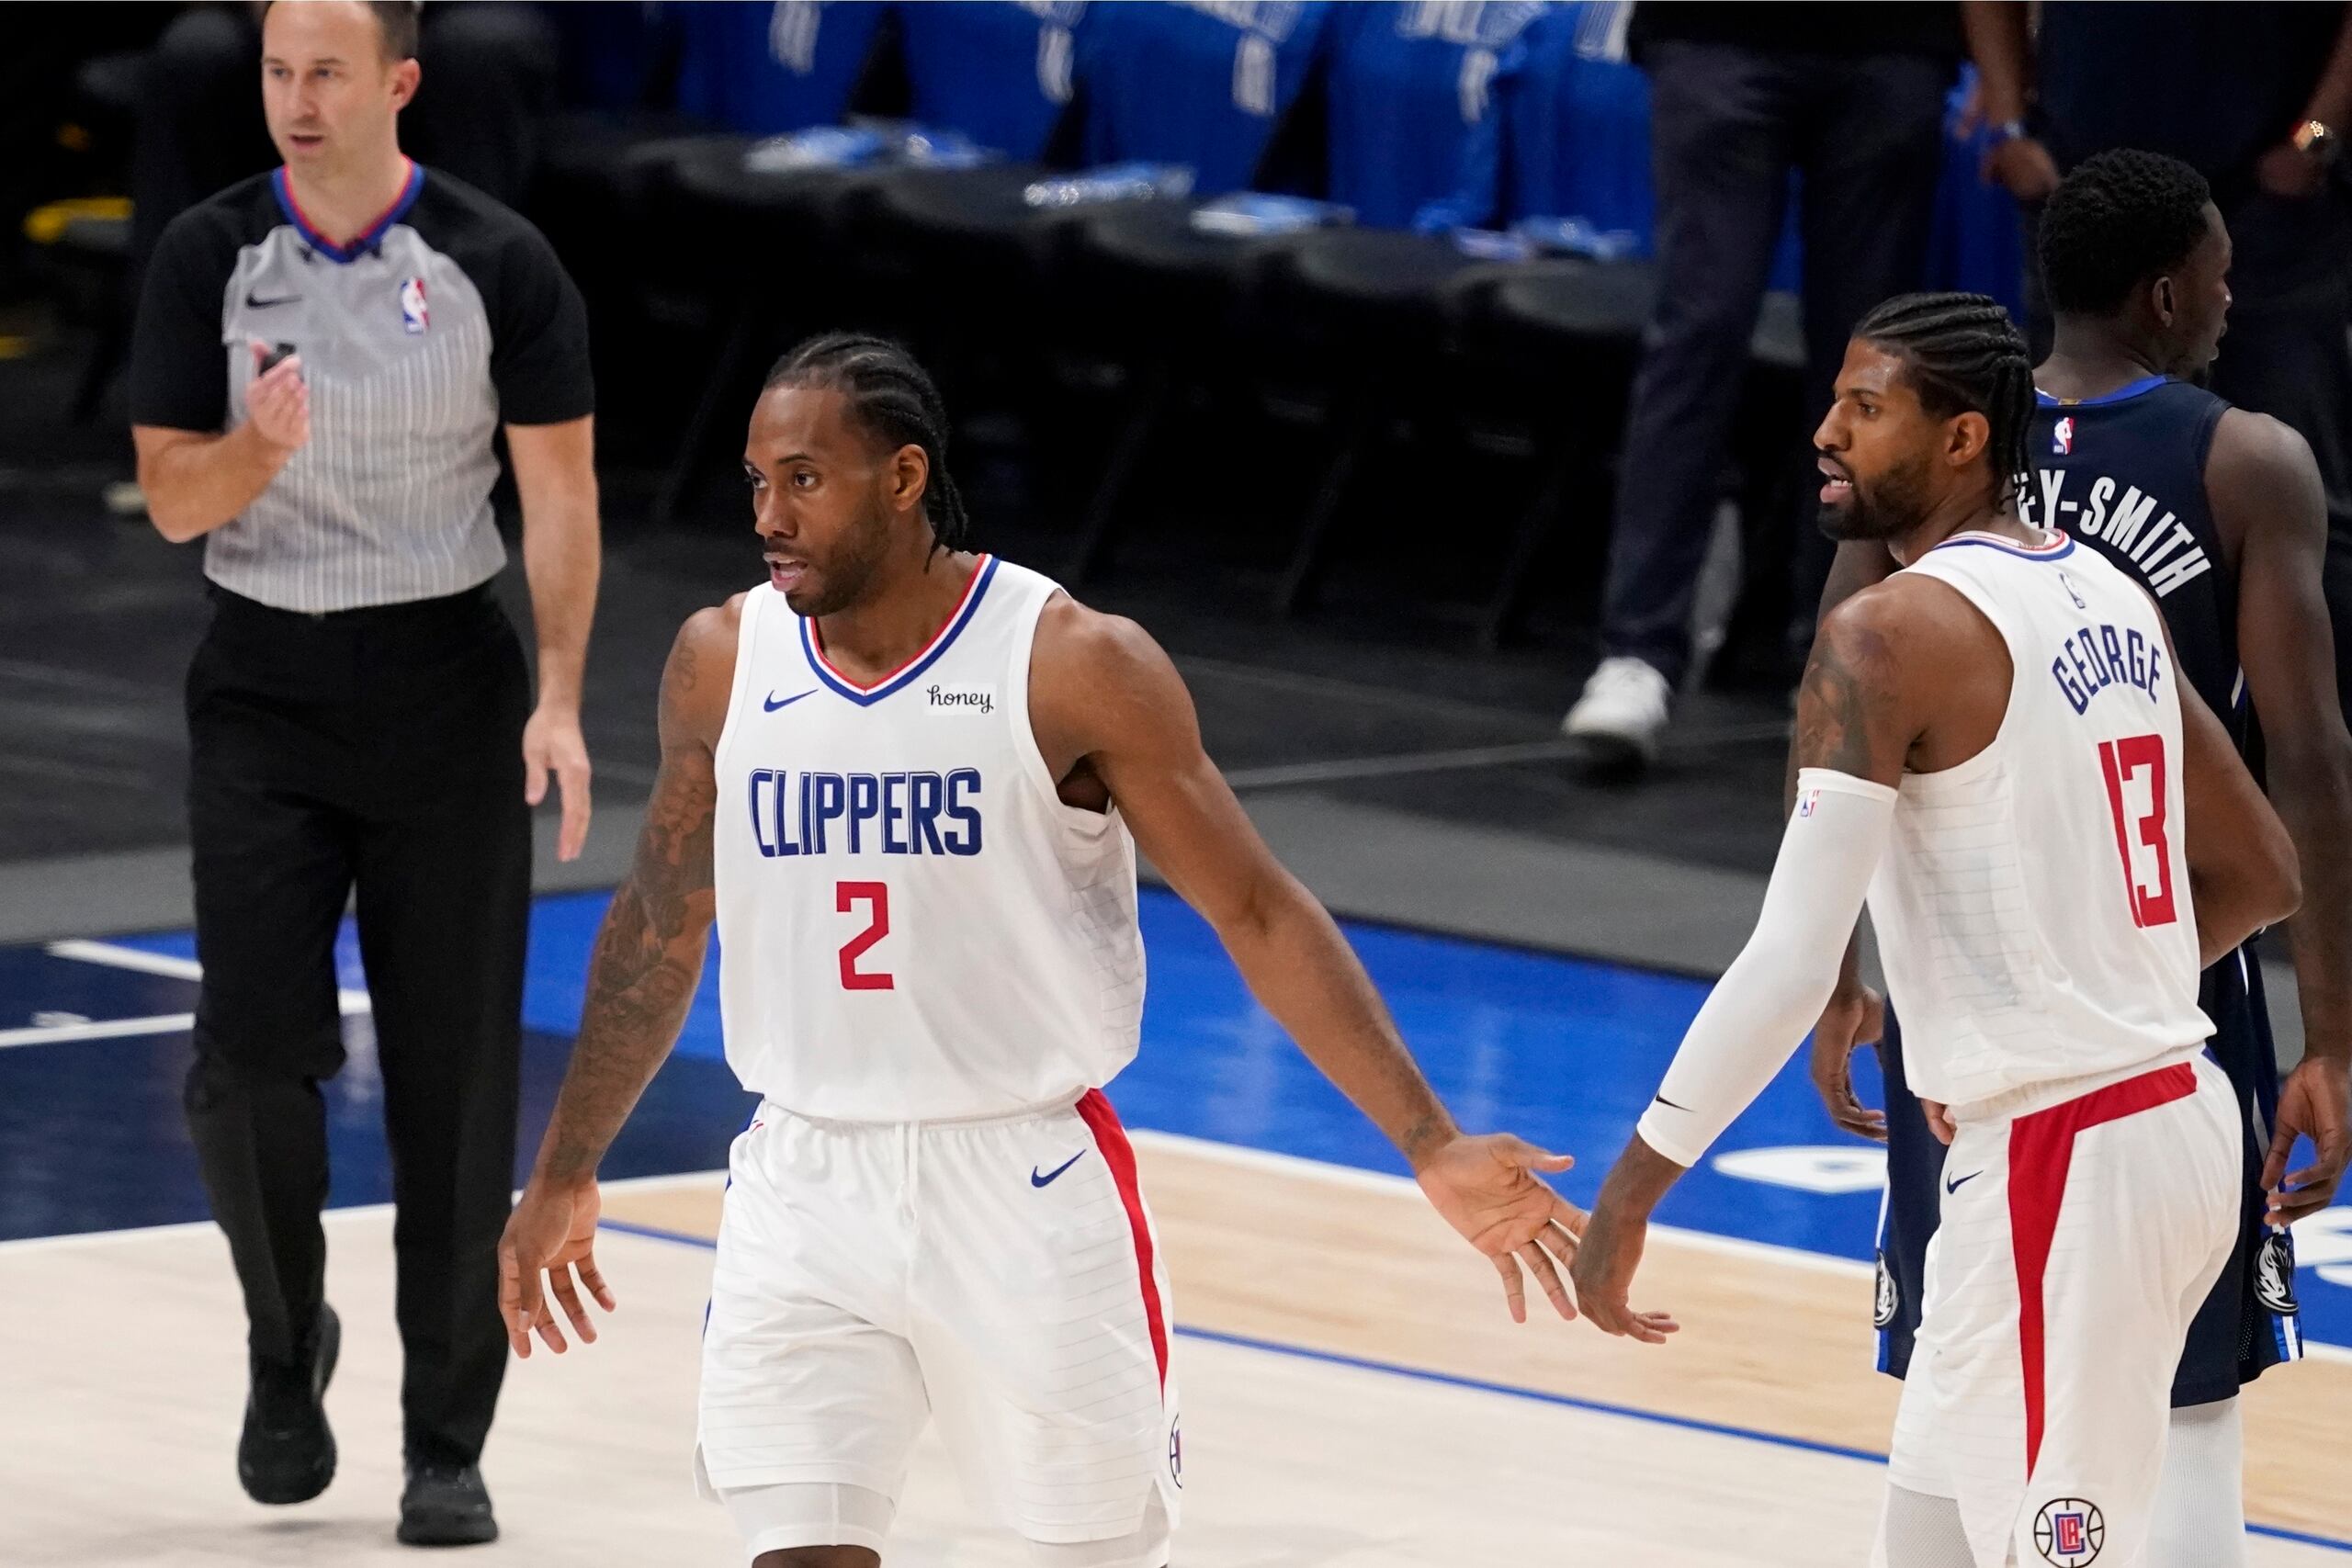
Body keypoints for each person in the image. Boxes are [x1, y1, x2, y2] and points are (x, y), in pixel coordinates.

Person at [495, 333, 1625, 1568]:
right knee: (794, 1540)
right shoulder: (725, 659)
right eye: (757, 480)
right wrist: (566, 1162)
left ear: (905, 476)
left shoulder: (1072, 659)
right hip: (803, 1177)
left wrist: (1429, 1139)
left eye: (804, 479)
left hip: (1022, 1181)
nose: (769, 513)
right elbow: (663, 918)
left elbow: (1254, 905)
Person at [1569, 292, 2301, 1568]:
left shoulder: (1884, 634)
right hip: (2142, 1121)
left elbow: (1795, 958)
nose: (1825, 430)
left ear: (1962, 437)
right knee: (1930, 1539)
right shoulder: (2106, 589)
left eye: (1866, 405)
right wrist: (2070, 1000)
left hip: (2074, 1154)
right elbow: (2259, 868)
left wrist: (1629, 1192)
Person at [1807, 152, 2352, 1566]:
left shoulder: (1925, 440)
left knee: (1968, 1384)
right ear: (2170, 291)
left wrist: (1844, 971)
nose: (2231, 305)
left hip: (1976, 1005)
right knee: (2177, 1396)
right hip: (2166, 984)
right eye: (2222, 279)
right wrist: (2334, 1037)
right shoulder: (2243, 457)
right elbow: (2311, 764)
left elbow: (1833, 722)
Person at [126, 0, 598, 1545]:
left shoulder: (495, 262)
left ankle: (444, 1441)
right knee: (246, 1056)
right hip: (263, 689)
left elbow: (561, 494)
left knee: (454, 1085)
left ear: (399, 82)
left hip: (445, 686)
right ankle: (286, 1345)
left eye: (326, 71)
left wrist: (565, 697)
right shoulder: (208, 255)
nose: (294, 98)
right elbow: (173, 501)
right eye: (275, 71)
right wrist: (252, 455)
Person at [1560, 3, 1965, 766]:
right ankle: (1637, 652)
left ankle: (1846, 656)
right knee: (1698, 334)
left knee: (1873, 367)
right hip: (1716, 28)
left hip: (1894, 36)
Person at [1964, 1, 2352, 707]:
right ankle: (2046, 711)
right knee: (2056, 474)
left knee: (2308, 490)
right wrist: (2012, 120)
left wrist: (2315, 137)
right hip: (2083, 190)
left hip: (2268, 199)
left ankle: (2312, 744)